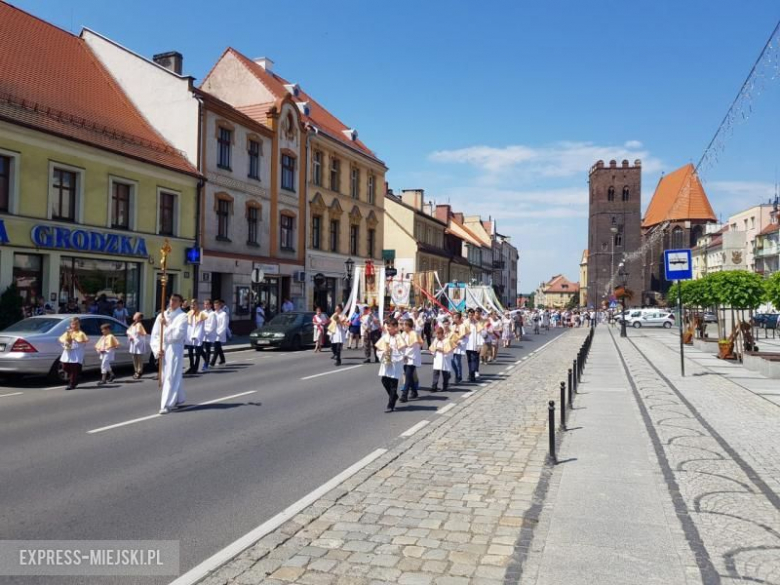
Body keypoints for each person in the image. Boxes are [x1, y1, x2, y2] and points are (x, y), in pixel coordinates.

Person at [150, 293, 188, 414]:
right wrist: (157, 349)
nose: (172, 302)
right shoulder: (162, 315)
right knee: (166, 375)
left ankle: (166, 404)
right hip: (164, 348)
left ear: (180, 303)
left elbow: (178, 335)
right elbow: (155, 334)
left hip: (175, 349)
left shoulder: (182, 316)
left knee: (171, 376)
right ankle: (179, 398)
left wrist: (167, 325)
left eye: (176, 300)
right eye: (171, 300)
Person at [374, 317, 407, 413]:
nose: (388, 328)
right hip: (386, 361)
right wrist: (384, 352)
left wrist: (393, 352)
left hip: (395, 363)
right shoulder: (385, 337)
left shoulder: (399, 338)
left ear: (395, 327)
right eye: (387, 326)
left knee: (393, 383)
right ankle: (394, 396)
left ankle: (391, 404)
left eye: (390, 326)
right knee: (384, 380)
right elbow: (379, 350)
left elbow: (403, 352)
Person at [58, 317, 88, 390]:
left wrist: (74, 341)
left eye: (76, 324)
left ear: (79, 324)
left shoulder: (81, 333)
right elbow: (62, 340)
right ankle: (76, 376)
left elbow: (82, 342)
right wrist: (66, 342)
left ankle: (72, 384)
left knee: (73, 368)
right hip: (68, 351)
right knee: (65, 366)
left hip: (76, 352)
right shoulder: (68, 332)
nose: (74, 326)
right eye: (73, 324)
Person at [400, 318, 422, 402]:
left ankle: (404, 395)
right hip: (405, 358)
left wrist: (406, 354)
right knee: (409, 376)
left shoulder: (414, 334)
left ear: (409, 326)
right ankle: (414, 392)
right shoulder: (404, 334)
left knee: (408, 376)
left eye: (404, 325)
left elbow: (412, 347)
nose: (403, 326)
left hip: (412, 358)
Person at [186, 299, 208, 374]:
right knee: (190, 352)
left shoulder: (201, 314)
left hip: (197, 336)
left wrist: (196, 335)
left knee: (197, 352)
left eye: (194, 305)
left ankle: (195, 367)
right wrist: (187, 335)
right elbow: (188, 326)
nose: (193, 306)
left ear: (197, 305)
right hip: (189, 336)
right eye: (191, 305)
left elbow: (200, 327)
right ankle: (191, 366)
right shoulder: (189, 313)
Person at [430, 326, 454, 392]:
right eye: (436, 334)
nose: (437, 335)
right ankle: (434, 387)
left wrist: (442, 350)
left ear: (442, 333)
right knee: (435, 373)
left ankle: (445, 386)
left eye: (438, 334)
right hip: (437, 358)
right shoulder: (436, 340)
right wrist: (434, 350)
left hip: (444, 359)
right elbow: (432, 348)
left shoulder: (447, 340)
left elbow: (449, 350)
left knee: (445, 373)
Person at [127, 312, 147, 379]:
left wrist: (135, 335)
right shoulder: (133, 324)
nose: (134, 316)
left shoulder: (139, 324)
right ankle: (136, 371)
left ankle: (139, 371)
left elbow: (142, 333)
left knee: (139, 358)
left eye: (136, 315)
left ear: (139, 318)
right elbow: (128, 331)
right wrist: (130, 336)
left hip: (138, 343)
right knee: (134, 357)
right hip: (133, 343)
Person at [464, 309, 482, 383]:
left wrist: (479, 345)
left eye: (472, 315)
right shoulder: (465, 323)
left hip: (475, 344)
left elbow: (479, 334)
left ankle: (472, 374)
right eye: (469, 315)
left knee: (474, 359)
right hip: (467, 344)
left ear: (474, 315)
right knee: (469, 360)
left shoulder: (477, 323)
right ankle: (471, 374)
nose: (470, 316)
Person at [210, 299, 228, 367]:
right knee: (218, 348)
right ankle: (222, 360)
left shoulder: (223, 314)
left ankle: (212, 363)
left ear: (220, 306)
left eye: (217, 305)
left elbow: (224, 325)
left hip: (219, 334)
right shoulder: (213, 313)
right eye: (214, 305)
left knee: (216, 348)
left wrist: (219, 333)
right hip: (213, 333)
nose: (215, 306)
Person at [451, 312, 467, 384]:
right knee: (452, 362)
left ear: (459, 318)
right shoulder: (453, 326)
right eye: (453, 317)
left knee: (457, 362)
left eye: (455, 317)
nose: (454, 319)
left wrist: (460, 341)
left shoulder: (463, 326)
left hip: (459, 346)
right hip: (452, 346)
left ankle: (459, 376)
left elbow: (465, 336)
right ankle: (457, 373)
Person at [202, 299, 217, 371]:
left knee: (208, 350)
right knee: (200, 349)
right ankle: (206, 360)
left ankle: (206, 364)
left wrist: (206, 332)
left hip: (209, 334)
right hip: (202, 334)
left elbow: (212, 325)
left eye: (207, 304)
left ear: (210, 305)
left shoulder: (212, 314)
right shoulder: (202, 312)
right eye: (204, 304)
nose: (205, 306)